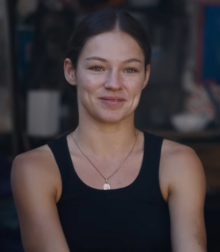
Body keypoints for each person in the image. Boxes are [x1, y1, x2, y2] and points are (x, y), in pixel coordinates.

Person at [11, 8, 207, 252]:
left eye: (129, 70)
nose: (114, 84)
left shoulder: (179, 163)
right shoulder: (35, 168)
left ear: (145, 76)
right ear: (71, 71)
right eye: (97, 68)